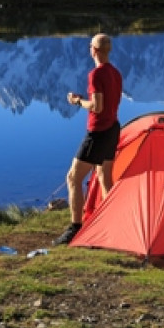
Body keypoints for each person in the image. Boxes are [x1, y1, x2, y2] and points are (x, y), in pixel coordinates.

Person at [53, 32, 123, 246]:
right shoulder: (116, 73)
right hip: (113, 128)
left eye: (90, 45)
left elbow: (97, 106)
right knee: (104, 177)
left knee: (73, 177)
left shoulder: (96, 75)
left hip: (98, 132)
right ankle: (111, 222)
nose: (89, 49)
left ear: (95, 50)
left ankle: (75, 228)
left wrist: (77, 101)